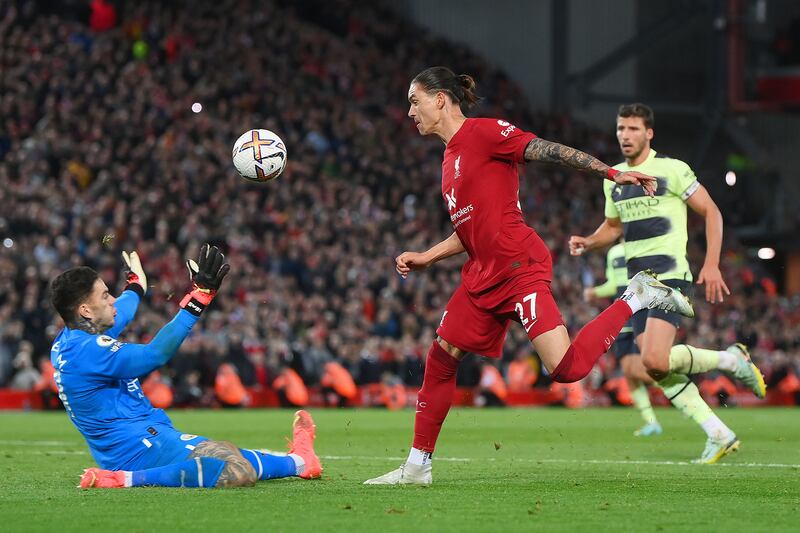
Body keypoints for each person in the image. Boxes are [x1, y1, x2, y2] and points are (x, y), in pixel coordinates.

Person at [364, 67, 694, 485]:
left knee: (566, 370)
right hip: (482, 275)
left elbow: (549, 150)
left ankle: (636, 296)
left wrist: (613, 173)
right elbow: (471, 228)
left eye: (414, 100)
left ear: (440, 99)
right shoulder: (449, 159)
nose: (410, 111)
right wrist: (430, 256)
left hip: (519, 266)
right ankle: (417, 466)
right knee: (442, 356)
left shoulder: (484, 134)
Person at [569, 103, 767, 464]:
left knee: (654, 360)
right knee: (653, 366)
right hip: (638, 285)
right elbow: (612, 228)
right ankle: (719, 424)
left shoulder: (672, 170)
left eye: (632, 129)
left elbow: (712, 212)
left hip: (670, 273)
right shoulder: (612, 179)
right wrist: (588, 240)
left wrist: (711, 264)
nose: (625, 135)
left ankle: (730, 370)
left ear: (649, 133)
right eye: (620, 129)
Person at [49, 244, 321, 488]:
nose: (113, 301)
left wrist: (135, 285)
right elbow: (155, 354)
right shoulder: (89, 352)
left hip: (141, 440)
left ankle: (300, 461)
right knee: (233, 468)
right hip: (141, 449)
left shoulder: (71, 340)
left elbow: (126, 308)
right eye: (106, 296)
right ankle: (124, 480)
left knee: (222, 453)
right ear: (85, 310)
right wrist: (199, 298)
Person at [583, 240, 662, 436]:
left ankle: (681, 384)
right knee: (629, 371)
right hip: (623, 314)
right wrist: (595, 292)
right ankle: (651, 422)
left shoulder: (644, 246)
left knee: (640, 370)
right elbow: (615, 285)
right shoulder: (614, 252)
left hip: (641, 311)